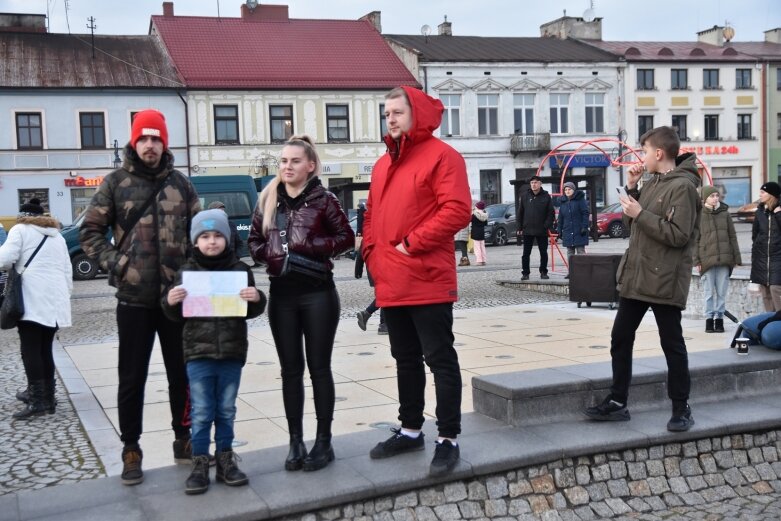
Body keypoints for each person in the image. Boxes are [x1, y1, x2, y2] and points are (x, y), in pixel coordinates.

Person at [80, 109, 201, 486]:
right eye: (144, 138)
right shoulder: (115, 183)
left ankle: (184, 439)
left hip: (175, 299)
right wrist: (118, 264)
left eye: (156, 139)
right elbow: (90, 233)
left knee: (182, 374)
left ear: (165, 143)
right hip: (133, 299)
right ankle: (131, 447)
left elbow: (201, 238)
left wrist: (197, 275)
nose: (150, 145)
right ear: (135, 142)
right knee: (131, 377)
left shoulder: (182, 185)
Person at [363, 86, 471, 477]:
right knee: (404, 359)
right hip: (391, 281)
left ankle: (448, 438)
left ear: (417, 114)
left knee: (440, 359)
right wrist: (371, 254)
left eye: (397, 112)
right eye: (386, 113)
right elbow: (372, 214)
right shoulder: (381, 165)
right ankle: (410, 429)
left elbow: (457, 209)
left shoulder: (443, 157)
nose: (390, 119)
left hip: (426, 276)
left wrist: (412, 243)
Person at [583, 126, 701, 432]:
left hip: (664, 279)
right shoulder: (651, 182)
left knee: (672, 344)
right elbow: (630, 223)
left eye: (645, 150)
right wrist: (633, 188)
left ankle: (681, 408)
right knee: (620, 338)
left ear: (659, 153)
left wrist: (640, 213)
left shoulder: (684, 187)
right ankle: (618, 402)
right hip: (637, 276)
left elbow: (678, 235)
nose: (642, 156)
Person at [248, 135, 354, 473]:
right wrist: (271, 253)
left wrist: (309, 243)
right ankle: (295, 440)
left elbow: (346, 239)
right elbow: (251, 242)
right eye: (283, 161)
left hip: (318, 293)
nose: (287, 166)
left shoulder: (324, 200)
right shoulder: (268, 199)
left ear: (310, 166)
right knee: (290, 371)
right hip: (282, 295)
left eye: (294, 161)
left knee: (319, 368)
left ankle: (324, 440)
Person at [162, 209, 266, 495]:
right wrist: (170, 301)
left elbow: (250, 309)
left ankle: (225, 460)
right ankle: (199, 462)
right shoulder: (186, 272)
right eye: (205, 236)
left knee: (226, 409)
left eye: (217, 235)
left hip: (232, 352)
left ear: (227, 238)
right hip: (198, 354)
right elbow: (174, 315)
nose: (211, 241)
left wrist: (256, 298)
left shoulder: (240, 270)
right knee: (201, 411)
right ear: (195, 241)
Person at [0, 199, 71, 419]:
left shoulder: (20, 230)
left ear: (23, 216)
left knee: (30, 349)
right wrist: (64, 295)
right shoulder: (57, 236)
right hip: (55, 299)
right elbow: (67, 269)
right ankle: (49, 399)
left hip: (31, 298)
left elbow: (5, 259)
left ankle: (38, 401)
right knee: (45, 349)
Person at [694, 186, 741, 332]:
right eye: (712, 196)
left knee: (721, 293)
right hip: (707, 261)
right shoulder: (698, 215)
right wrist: (696, 260)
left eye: (717, 195)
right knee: (708, 293)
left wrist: (736, 258)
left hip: (724, 260)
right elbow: (694, 240)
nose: (715, 198)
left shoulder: (725, 214)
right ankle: (709, 320)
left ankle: (719, 320)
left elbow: (732, 237)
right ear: (705, 198)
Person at [355, 203, 387, 334]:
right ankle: (378, 321)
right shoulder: (378, 232)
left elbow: (361, 253)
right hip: (380, 269)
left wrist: (358, 270)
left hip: (373, 269)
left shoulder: (368, 232)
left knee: (384, 293)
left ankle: (381, 323)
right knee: (386, 294)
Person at [750, 181, 781, 312]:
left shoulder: (779, 211)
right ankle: (770, 323)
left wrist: (778, 214)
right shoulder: (760, 212)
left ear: (772, 195)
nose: (760, 195)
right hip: (762, 259)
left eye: (763, 192)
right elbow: (755, 235)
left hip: (777, 258)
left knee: (775, 289)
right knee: (766, 292)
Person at [517, 176, 554, 280]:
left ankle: (543, 272)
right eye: (532, 182)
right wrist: (519, 227)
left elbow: (550, 213)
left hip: (541, 229)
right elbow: (520, 213)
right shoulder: (525, 196)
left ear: (540, 184)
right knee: (525, 254)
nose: (533, 184)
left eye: (536, 182)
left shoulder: (546, 196)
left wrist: (546, 225)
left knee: (543, 252)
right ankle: (525, 273)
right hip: (527, 229)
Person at [557, 181, 590, 277]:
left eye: (569, 189)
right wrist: (559, 230)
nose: (567, 191)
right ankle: (571, 272)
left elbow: (585, 213)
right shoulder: (563, 202)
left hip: (579, 230)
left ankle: (583, 272)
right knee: (570, 252)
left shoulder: (580, 200)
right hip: (567, 230)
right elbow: (561, 218)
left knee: (580, 251)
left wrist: (584, 226)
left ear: (573, 190)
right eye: (565, 190)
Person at [471, 201, 488, 266]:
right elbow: (486, 223)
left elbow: (470, 219)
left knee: (477, 247)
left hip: (475, 232)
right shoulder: (485, 214)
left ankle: (479, 260)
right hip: (482, 232)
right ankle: (483, 260)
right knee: (482, 247)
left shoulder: (474, 214)